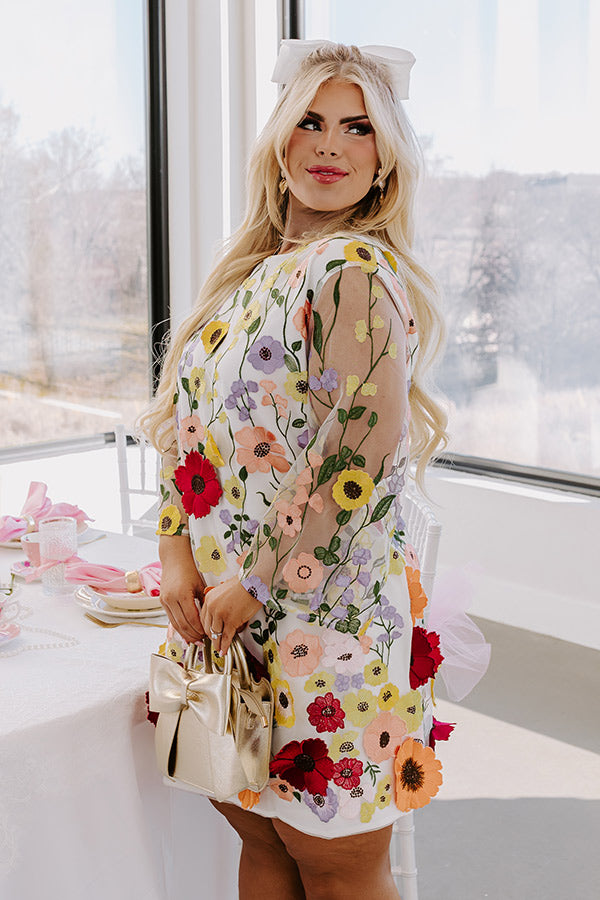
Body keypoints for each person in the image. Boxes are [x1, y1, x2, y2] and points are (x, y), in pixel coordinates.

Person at [140, 40, 448, 900]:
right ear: (280, 140)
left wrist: (261, 580)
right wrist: (176, 558)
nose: (330, 144)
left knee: (340, 867)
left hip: (325, 625)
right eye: (310, 121)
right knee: (265, 842)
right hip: (231, 619)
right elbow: (183, 433)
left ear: (385, 163)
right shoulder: (246, 279)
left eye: (358, 128)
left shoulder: (354, 272)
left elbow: (358, 452)